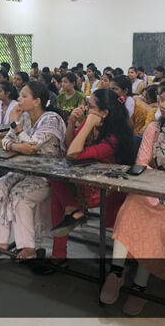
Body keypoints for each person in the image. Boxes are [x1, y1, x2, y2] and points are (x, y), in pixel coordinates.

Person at [101, 82, 165, 315]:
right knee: (130, 209)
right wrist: (155, 180)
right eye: (160, 100)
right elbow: (142, 162)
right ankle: (116, 273)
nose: (162, 105)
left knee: (157, 224)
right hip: (149, 188)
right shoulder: (154, 128)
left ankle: (140, 286)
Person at [0, 82, 67, 260]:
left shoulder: (51, 119)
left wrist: (14, 124)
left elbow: (33, 146)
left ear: (37, 101)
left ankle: (28, 246)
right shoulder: (24, 117)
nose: (19, 99)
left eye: (24, 96)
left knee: (19, 195)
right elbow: (6, 141)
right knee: (2, 185)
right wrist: (17, 146)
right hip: (26, 169)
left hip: (49, 174)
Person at [49, 90, 134, 264]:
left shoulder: (114, 138)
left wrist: (88, 124)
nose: (87, 109)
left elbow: (73, 154)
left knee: (58, 196)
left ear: (104, 113)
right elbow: (70, 146)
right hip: (87, 178)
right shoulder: (94, 124)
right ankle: (73, 211)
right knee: (54, 178)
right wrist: (71, 123)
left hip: (107, 188)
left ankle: (60, 251)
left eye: (91, 106)